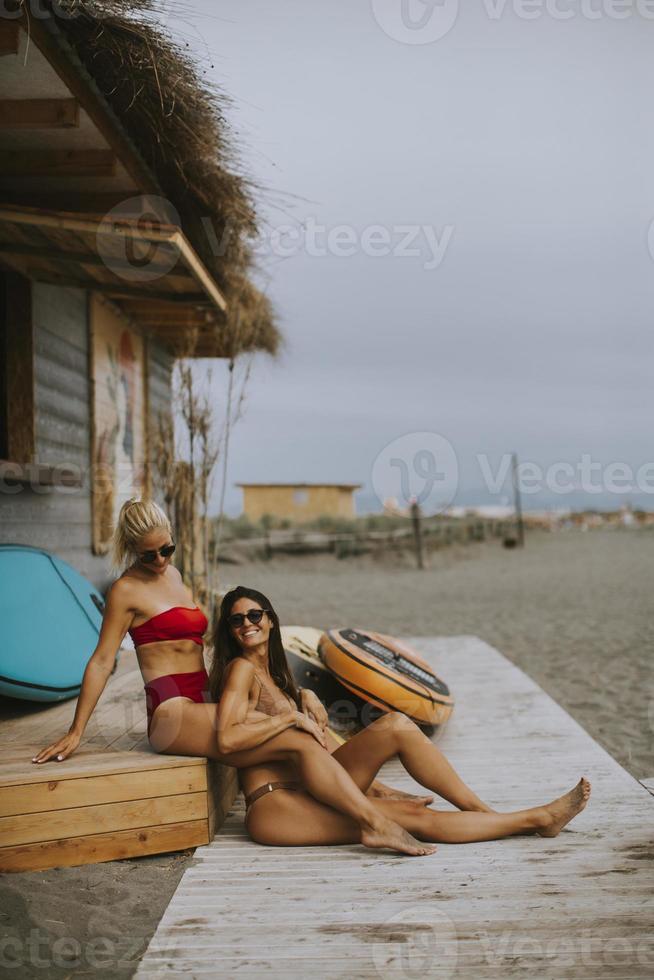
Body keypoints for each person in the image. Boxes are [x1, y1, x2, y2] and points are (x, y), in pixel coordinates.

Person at [31, 498, 436, 856]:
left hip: (203, 699)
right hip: (172, 711)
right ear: (131, 549)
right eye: (147, 555)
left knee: (300, 716)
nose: (159, 561)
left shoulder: (173, 576)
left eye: (166, 549)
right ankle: (374, 822)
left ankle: (374, 790)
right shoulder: (125, 590)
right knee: (292, 732)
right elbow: (103, 661)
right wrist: (76, 731)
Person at [212, 585, 591, 848]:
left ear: (271, 620)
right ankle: (538, 819)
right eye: (237, 620)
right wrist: (290, 719)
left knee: (397, 724)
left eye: (255, 614)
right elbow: (227, 738)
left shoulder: (277, 676)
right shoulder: (241, 670)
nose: (247, 623)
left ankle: (483, 814)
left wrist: (303, 696)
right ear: (230, 631)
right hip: (279, 805)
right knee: (413, 821)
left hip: (314, 786)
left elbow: (315, 750)